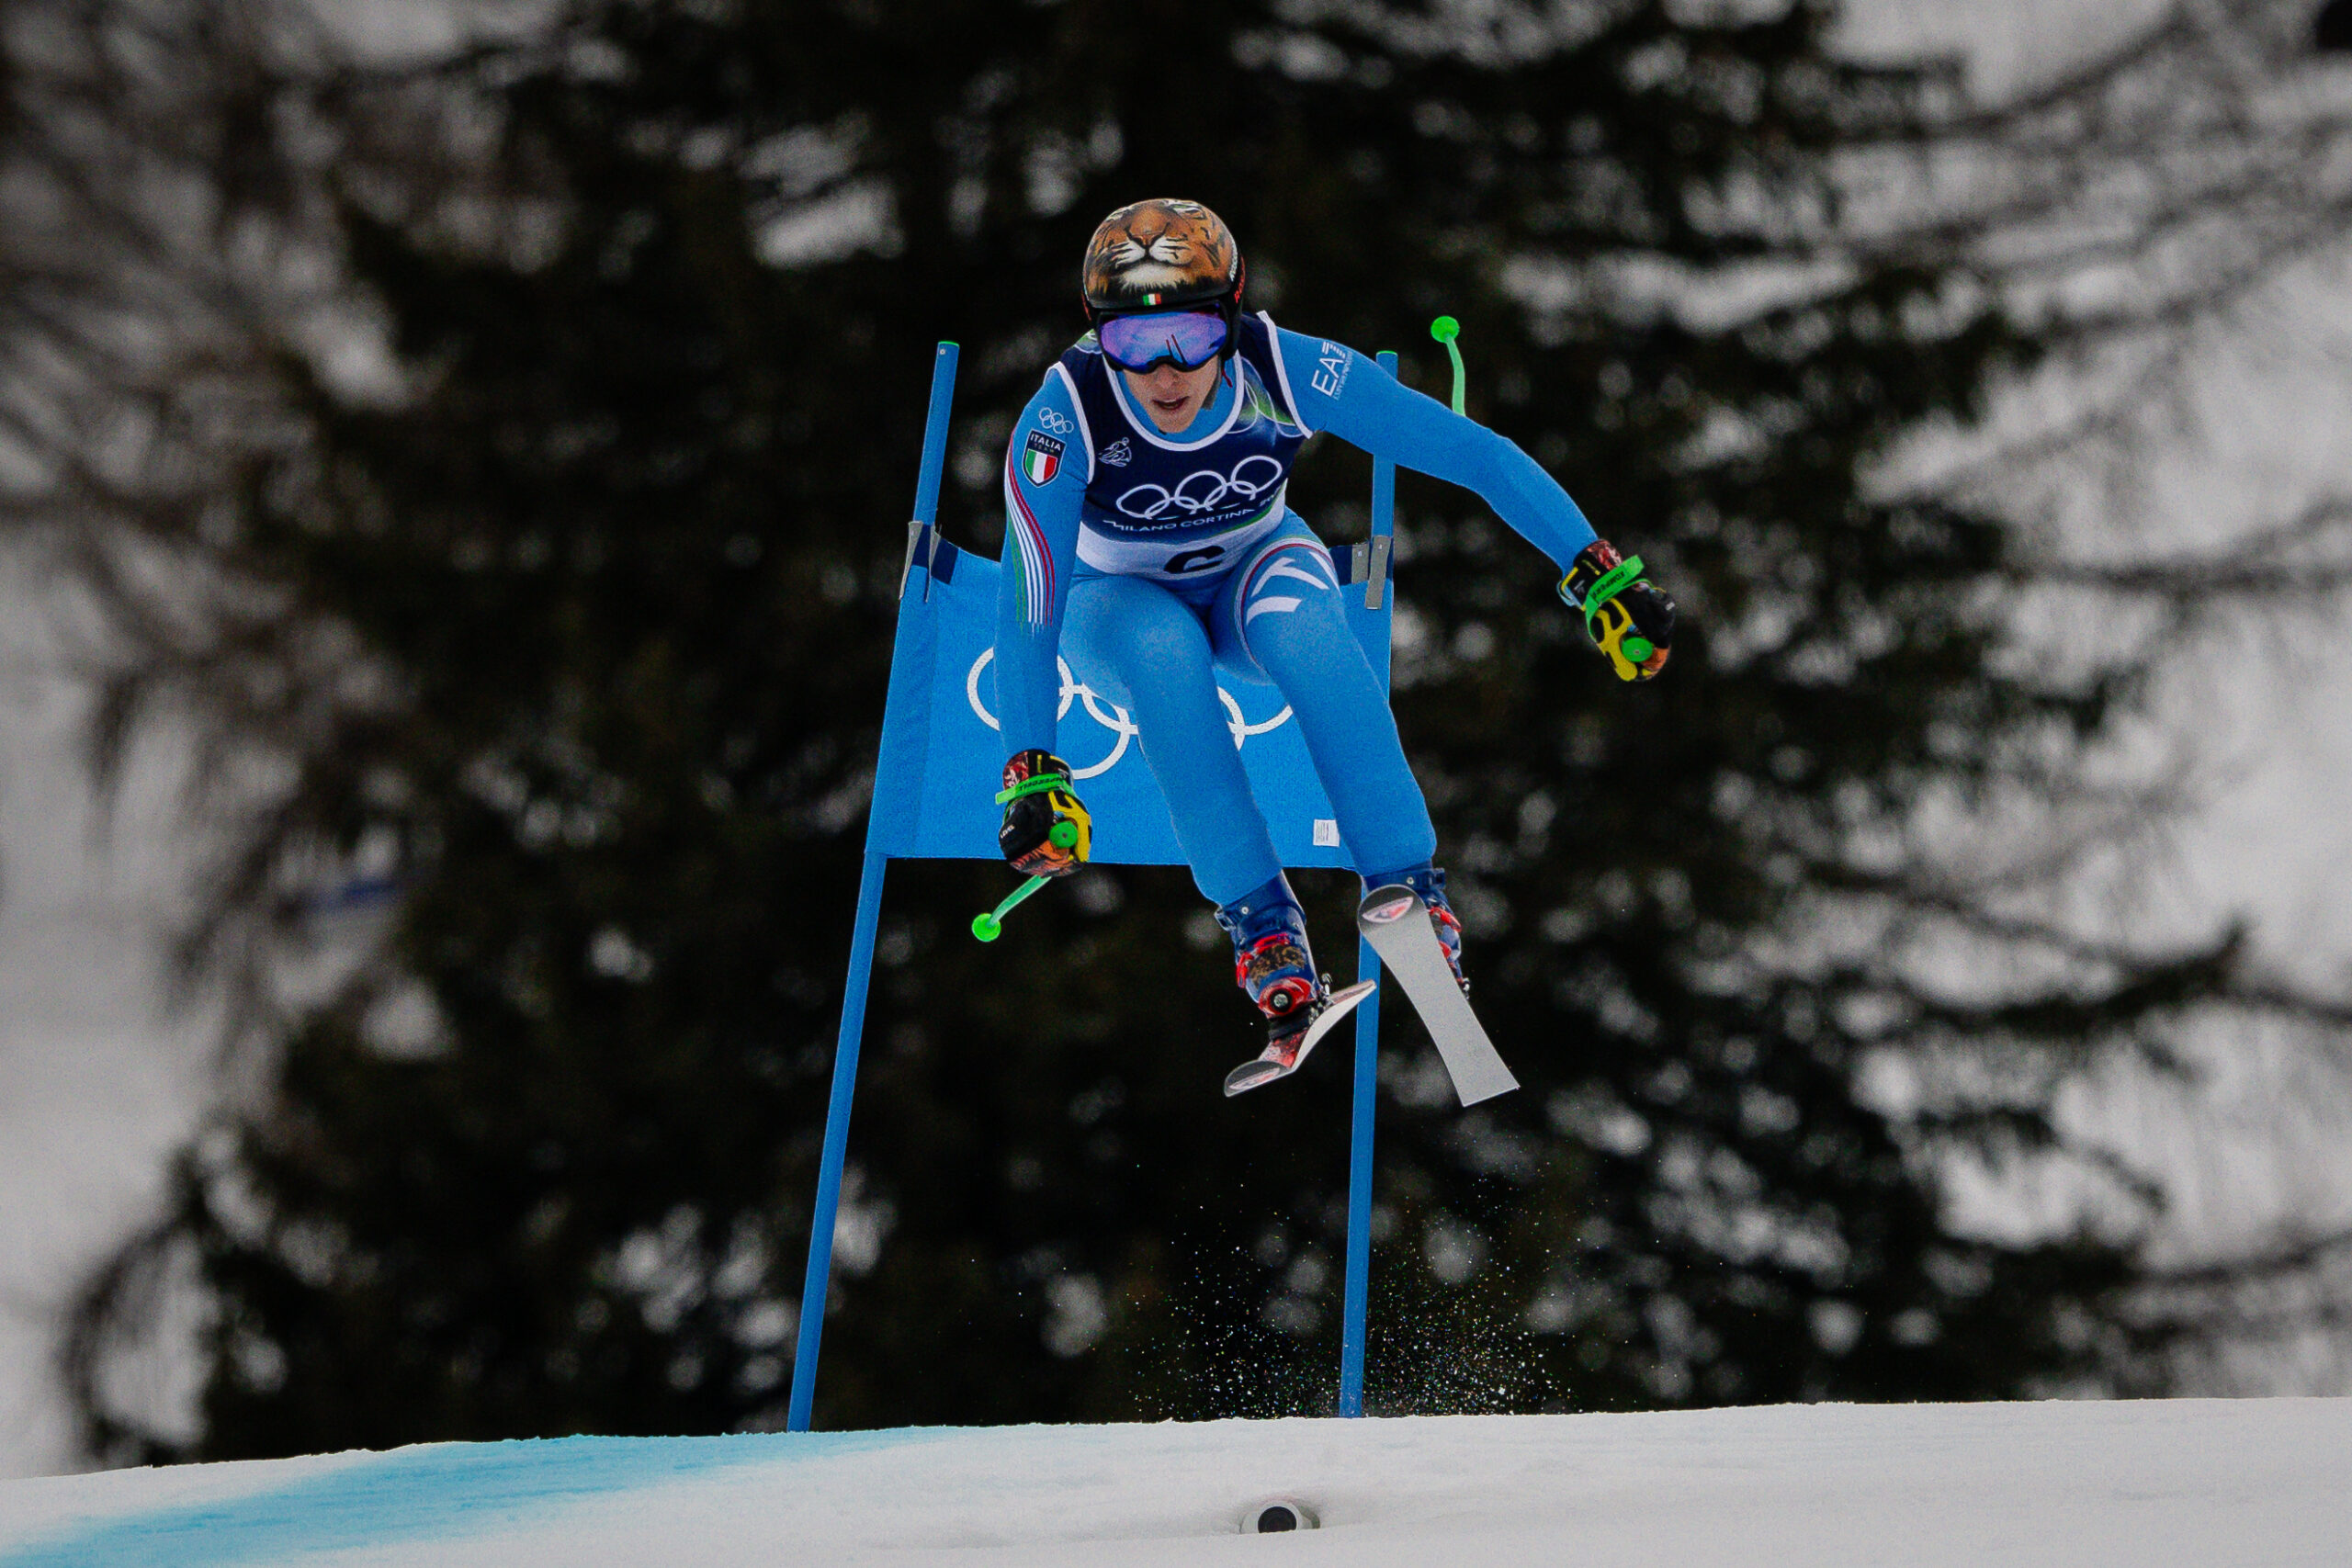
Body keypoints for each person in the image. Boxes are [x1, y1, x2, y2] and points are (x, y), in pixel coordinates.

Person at [992, 197, 1674, 1069]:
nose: (1165, 373)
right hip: (1114, 596)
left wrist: (1598, 571)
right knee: (1166, 662)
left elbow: (1469, 451)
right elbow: (1032, 593)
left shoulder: (1283, 366)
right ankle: (1262, 926)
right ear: (1097, 335)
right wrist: (1030, 769)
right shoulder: (1066, 416)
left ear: (1231, 318)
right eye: (1132, 343)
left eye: (1193, 337)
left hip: (1254, 563)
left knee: (1313, 636)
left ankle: (1411, 890)